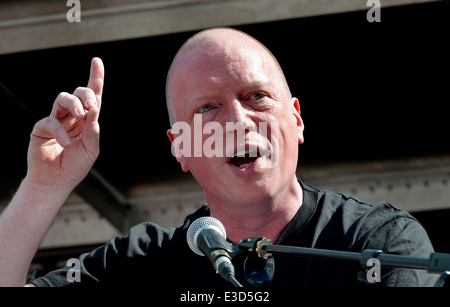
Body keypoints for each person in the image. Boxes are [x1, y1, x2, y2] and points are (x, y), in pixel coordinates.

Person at [0, 27, 437, 287]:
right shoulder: (142, 263)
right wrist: (43, 186)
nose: (238, 120)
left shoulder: (377, 242)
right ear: (181, 147)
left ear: (297, 120)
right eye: (207, 108)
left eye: (256, 96)